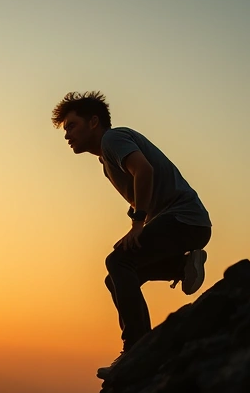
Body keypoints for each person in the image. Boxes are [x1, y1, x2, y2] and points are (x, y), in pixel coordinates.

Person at [52, 91, 212, 378]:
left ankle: (136, 350)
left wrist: (138, 224)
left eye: (71, 126)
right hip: (182, 222)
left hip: (185, 220)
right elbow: (141, 193)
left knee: (118, 263)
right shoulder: (106, 160)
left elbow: (144, 171)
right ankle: (180, 268)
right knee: (117, 275)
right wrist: (137, 219)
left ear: (93, 121)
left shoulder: (113, 139)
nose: (67, 136)